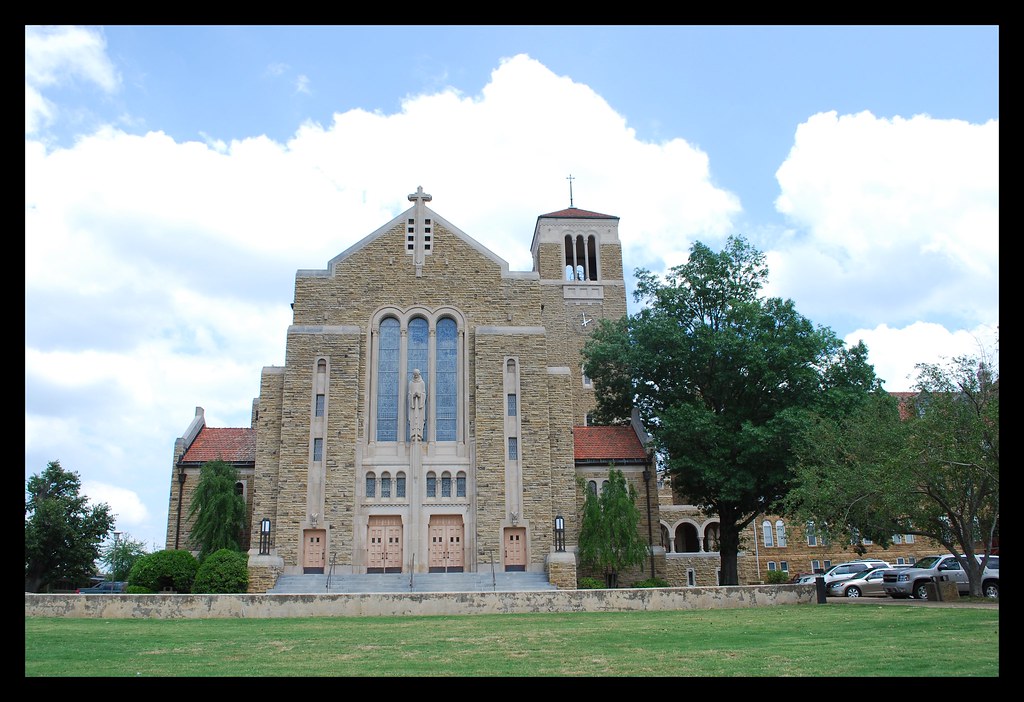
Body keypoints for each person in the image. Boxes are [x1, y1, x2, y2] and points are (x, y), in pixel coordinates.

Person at [408, 369, 426, 440]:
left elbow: (424, 393)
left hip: (419, 406)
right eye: (414, 375)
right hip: (413, 405)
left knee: (419, 419)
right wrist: (412, 396)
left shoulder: (422, 383)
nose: (415, 377)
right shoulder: (411, 383)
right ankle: (412, 434)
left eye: (417, 375)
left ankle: (419, 434)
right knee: (413, 419)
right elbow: (409, 393)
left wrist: (420, 395)